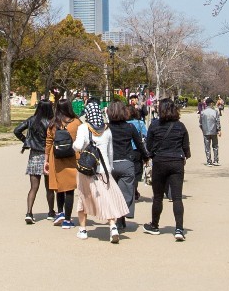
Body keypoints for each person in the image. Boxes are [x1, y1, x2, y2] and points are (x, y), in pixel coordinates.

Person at [72, 101, 129, 242]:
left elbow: (78, 146)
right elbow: (110, 152)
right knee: (107, 198)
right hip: (104, 170)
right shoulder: (107, 129)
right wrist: (109, 168)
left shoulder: (84, 128)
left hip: (87, 170)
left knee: (83, 198)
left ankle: (83, 229)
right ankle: (113, 226)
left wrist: (75, 144)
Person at [143, 98, 191, 240]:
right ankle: (179, 229)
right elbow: (186, 148)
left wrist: (151, 155)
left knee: (158, 197)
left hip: (160, 161)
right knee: (177, 197)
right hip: (176, 161)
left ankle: (155, 225)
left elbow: (149, 146)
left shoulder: (155, 125)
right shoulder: (180, 126)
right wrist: (183, 156)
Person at [106, 101, 144, 236]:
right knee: (126, 193)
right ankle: (121, 218)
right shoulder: (130, 127)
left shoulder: (106, 128)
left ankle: (114, 219)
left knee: (111, 193)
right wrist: (145, 157)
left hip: (110, 164)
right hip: (126, 163)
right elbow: (139, 144)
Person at [43, 99, 81, 225]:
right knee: (70, 189)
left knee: (59, 187)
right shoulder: (76, 122)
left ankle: (60, 213)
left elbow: (48, 142)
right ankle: (68, 220)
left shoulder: (53, 123)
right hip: (72, 157)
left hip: (56, 157)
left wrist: (46, 160)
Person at [16, 99, 52, 224]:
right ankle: (51, 212)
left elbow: (17, 130)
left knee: (33, 187)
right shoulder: (50, 122)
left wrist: (26, 141)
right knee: (49, 187)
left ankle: (29, 212)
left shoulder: (32, 120)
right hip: (48, 156)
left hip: (34, 155)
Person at [198, 97, 222, 165]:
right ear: (211, 103)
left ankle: (209, 161)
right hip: (214, 131)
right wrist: (219, 130)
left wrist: (203, 129)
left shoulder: (202, 112)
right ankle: (216, 160)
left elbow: (200, 123)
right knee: (215, 146)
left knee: (207, 147)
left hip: (206, 132)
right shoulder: (215, 112)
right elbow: (217, 121)